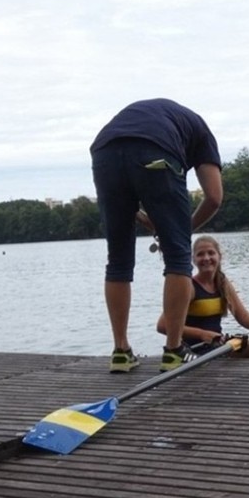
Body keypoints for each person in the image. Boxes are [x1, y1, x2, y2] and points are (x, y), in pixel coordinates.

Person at [91, 99, 224, 373]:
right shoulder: (202, 134)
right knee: (178, 258)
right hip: (156, 149)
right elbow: (214, 197)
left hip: (104, 151)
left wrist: (153, 221)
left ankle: (121, 351)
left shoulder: (167, 119)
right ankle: (174, 351)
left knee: (118, 260)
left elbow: (131, 203)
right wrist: (181, 231)